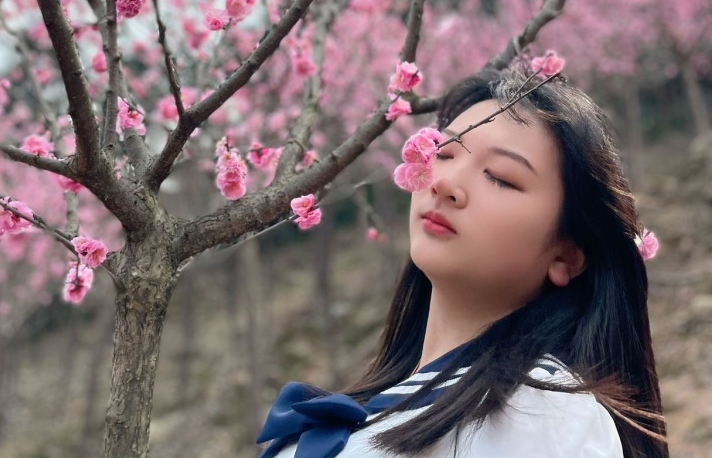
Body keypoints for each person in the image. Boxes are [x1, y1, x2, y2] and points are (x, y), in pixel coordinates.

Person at [256, 68, 668, 457]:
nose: (446, 183)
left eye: (500, 177)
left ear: (567, 256)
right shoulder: (358, 412)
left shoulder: (542, 412)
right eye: (446, 152)